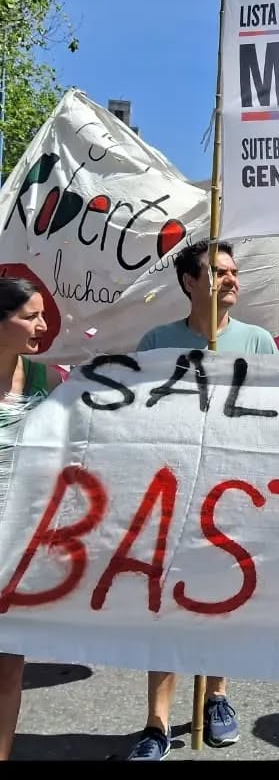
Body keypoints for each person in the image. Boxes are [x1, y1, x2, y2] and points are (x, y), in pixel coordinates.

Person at [127, 240, 277, 761]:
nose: (231, 279)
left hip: (236, 495)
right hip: (172, 493)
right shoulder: (156, 341)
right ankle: (156, 723)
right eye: (218, 272)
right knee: (164, 604)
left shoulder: (259, 342)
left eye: (234, 271)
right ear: (190, 282)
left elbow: (276, 418)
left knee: (221, 599)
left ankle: (217, 697)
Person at [0, 278, 62, 760]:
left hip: (20, 539)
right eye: (30, 316)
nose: (42, 325)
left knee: (8, 663)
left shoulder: (48, 379)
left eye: (42, 314)